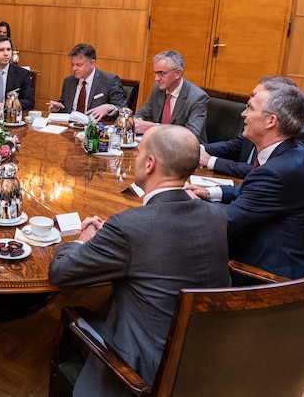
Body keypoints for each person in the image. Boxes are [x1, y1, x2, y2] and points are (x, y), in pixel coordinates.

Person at [48, 125, 230, 395]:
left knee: (73, 314)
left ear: (149, 163)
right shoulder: (216, 216)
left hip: (143, 372)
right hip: (209, 360)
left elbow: (60, 273)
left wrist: (81, 241)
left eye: (139, 151)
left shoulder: (129, 227)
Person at [186, 82, 304, 281]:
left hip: (278, 277)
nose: (243, 114)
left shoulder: (278, 172)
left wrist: (190, 204)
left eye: (249, 107)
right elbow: (258, 192)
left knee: (183, 252)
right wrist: (212, 192)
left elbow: (223, 224)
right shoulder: (296, 154)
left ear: (270, 121)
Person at [201, 76, 304, 178]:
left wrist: (210, 161)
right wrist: (194, 150)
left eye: (256, 96)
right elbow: (231, 148)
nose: (250, 101)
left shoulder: (299, 135)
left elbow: (265, 171)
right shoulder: (254, 124)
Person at [134, 49, 209, 142]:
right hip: (161, 145)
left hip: (187, 150)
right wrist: (136, 122)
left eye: (161, 73)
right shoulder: (157, 88)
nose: (156, 78)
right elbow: (142, 114)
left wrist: (155, 127)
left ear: (178, 73)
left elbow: (191, 135)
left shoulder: (197, 97)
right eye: (155, 73)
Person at [47, 43, 127, 121]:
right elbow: (64, 107)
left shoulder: (109, 81)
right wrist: (57, 108)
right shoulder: (69, 81)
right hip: (69, 128)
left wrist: (109, 107)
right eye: (73, 64)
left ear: (92, 64)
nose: (74, 68)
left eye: (79, 65)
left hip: (95, 129)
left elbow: (123, 109)